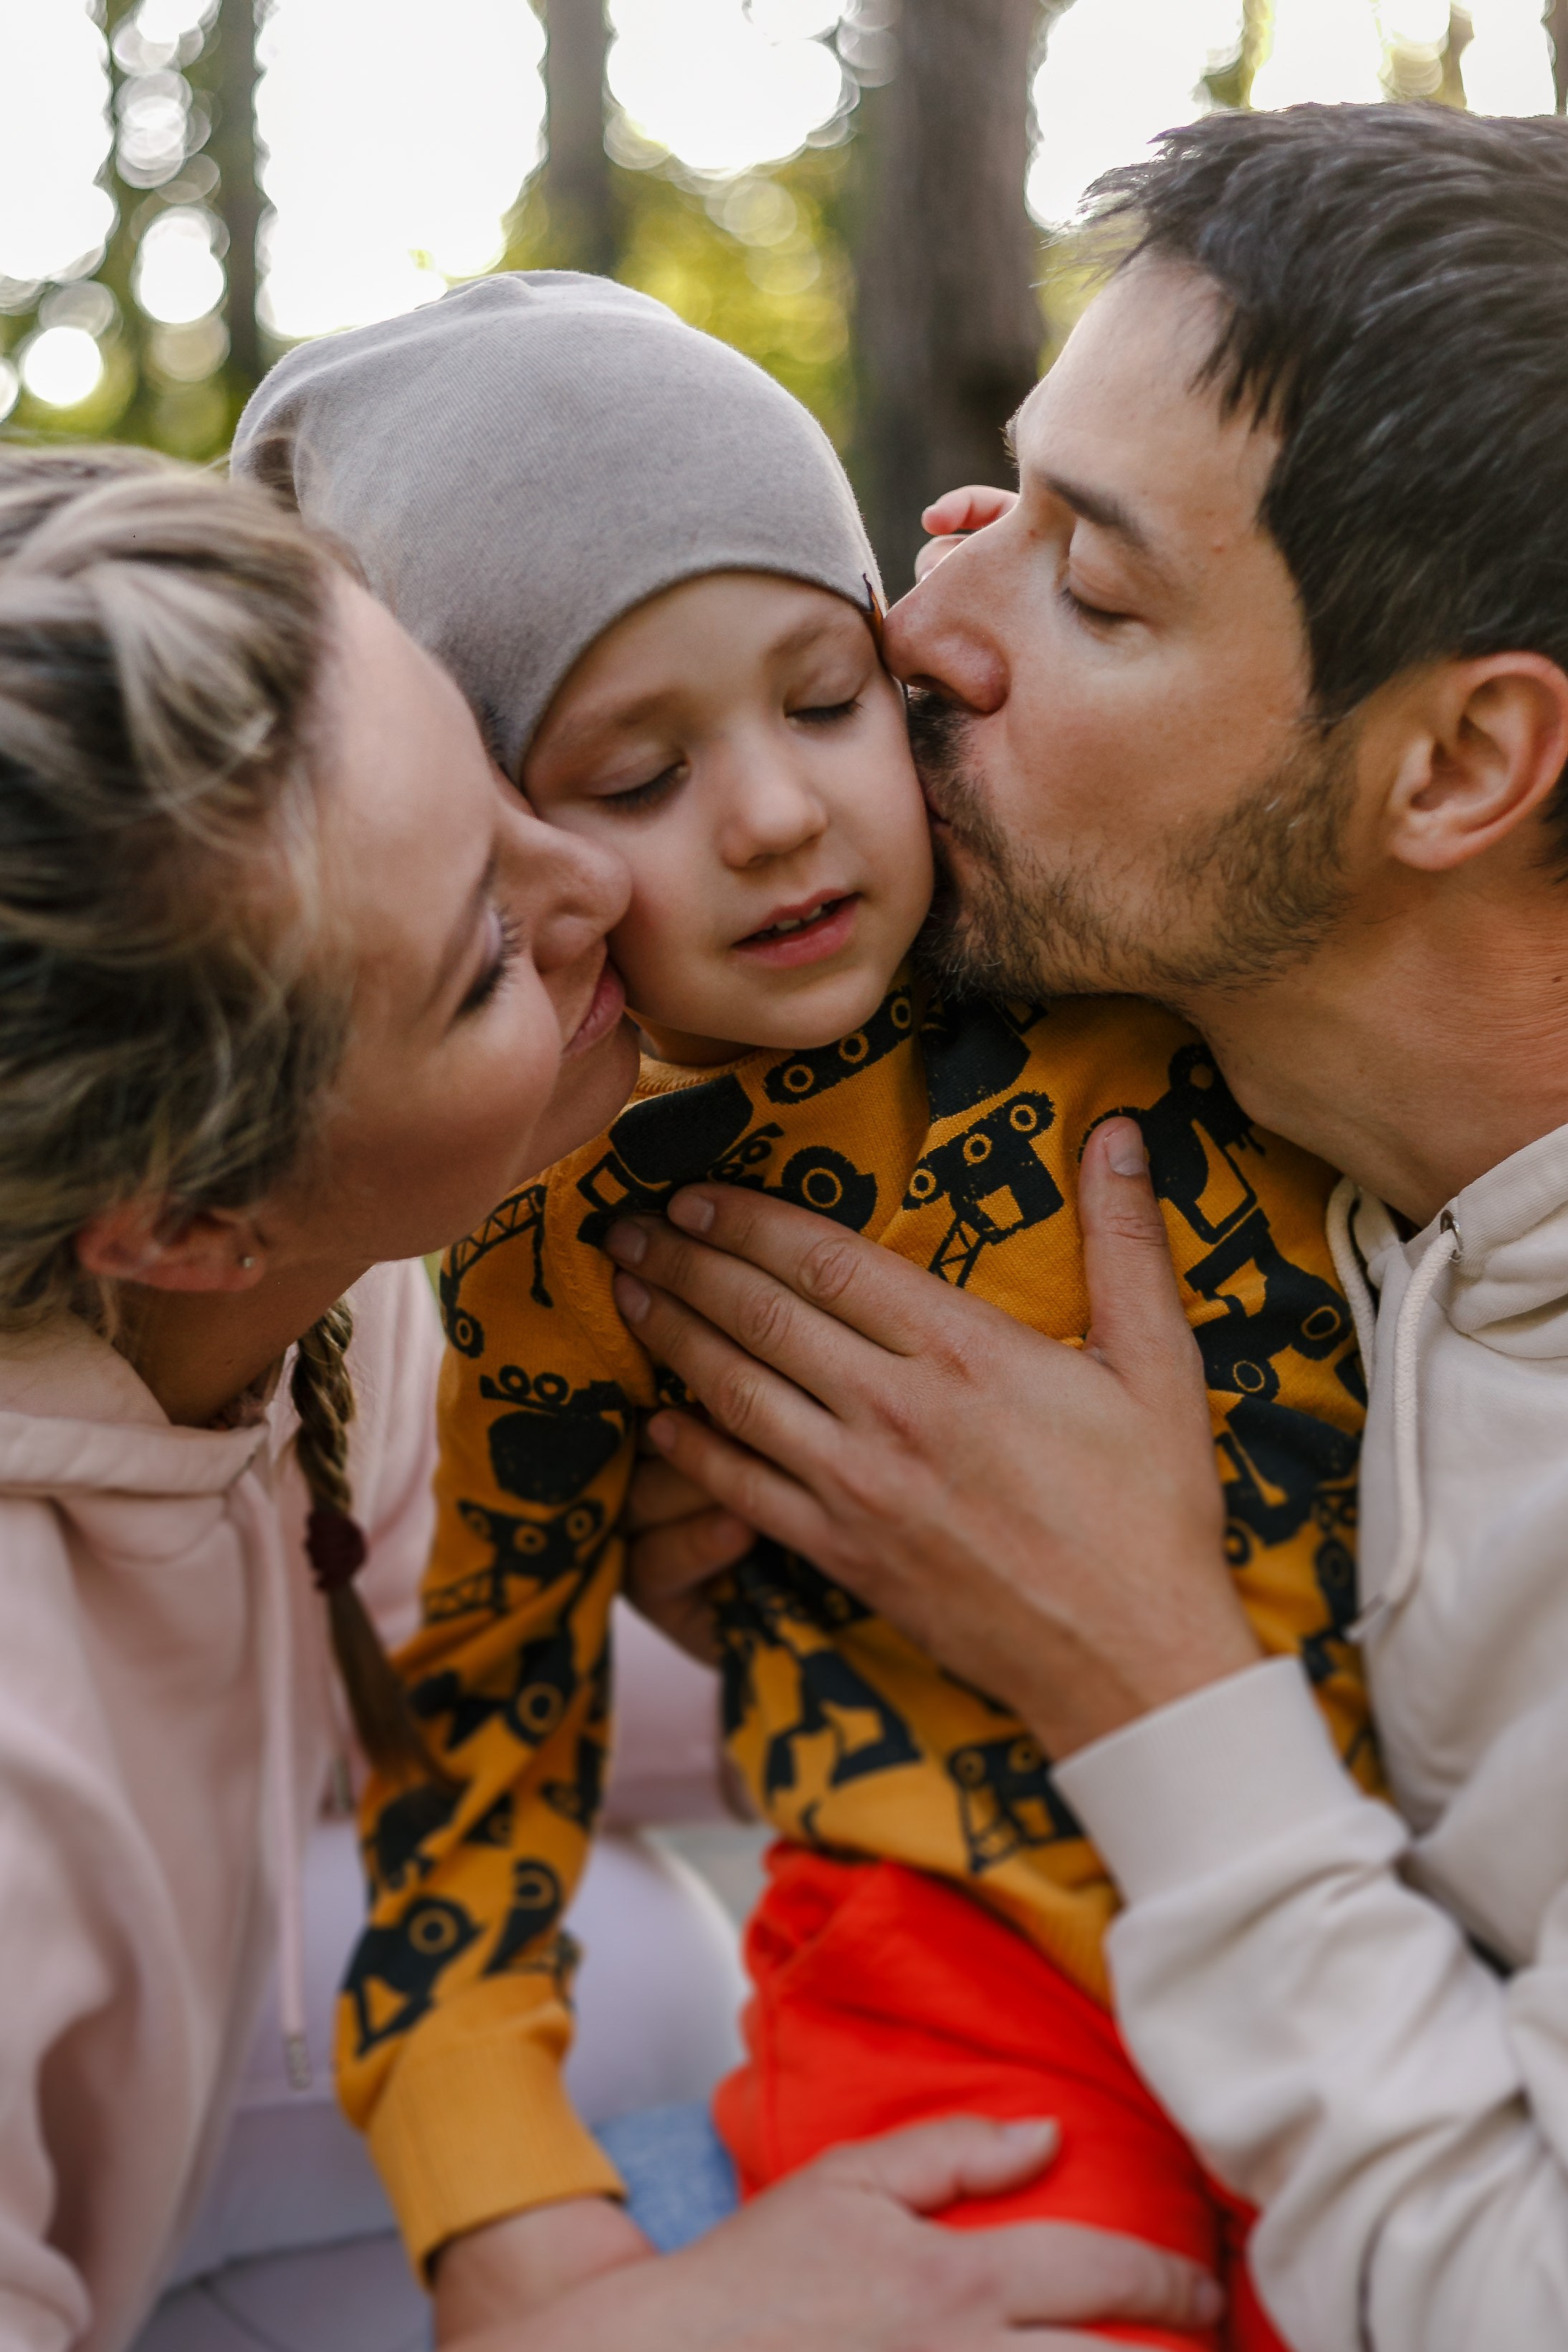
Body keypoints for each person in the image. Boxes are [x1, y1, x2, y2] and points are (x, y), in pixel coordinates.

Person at [231, 273, 1370, 2350]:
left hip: (1377, 1899)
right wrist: (507, 2226)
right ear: (495, 856)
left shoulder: (1127, 959)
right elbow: (478, 1736)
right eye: (635, 771)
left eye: (819, 696)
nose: (767, 812)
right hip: (944, 1980)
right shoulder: (560, 1236)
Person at [0, 444, 1223, 2352]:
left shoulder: (323, 1311)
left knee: (646, 1965)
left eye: (496, 778)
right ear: (190, 1224)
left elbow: (489, 1674)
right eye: (483, 947)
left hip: (193, 2036)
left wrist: (969, 1582)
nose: (602, 881)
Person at [598, 102, 1568, 2352]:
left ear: (1451, 767)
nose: (919, 622)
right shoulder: (1200, 1102)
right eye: (989, 503)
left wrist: (1135, 1670)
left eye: (1092, 584)